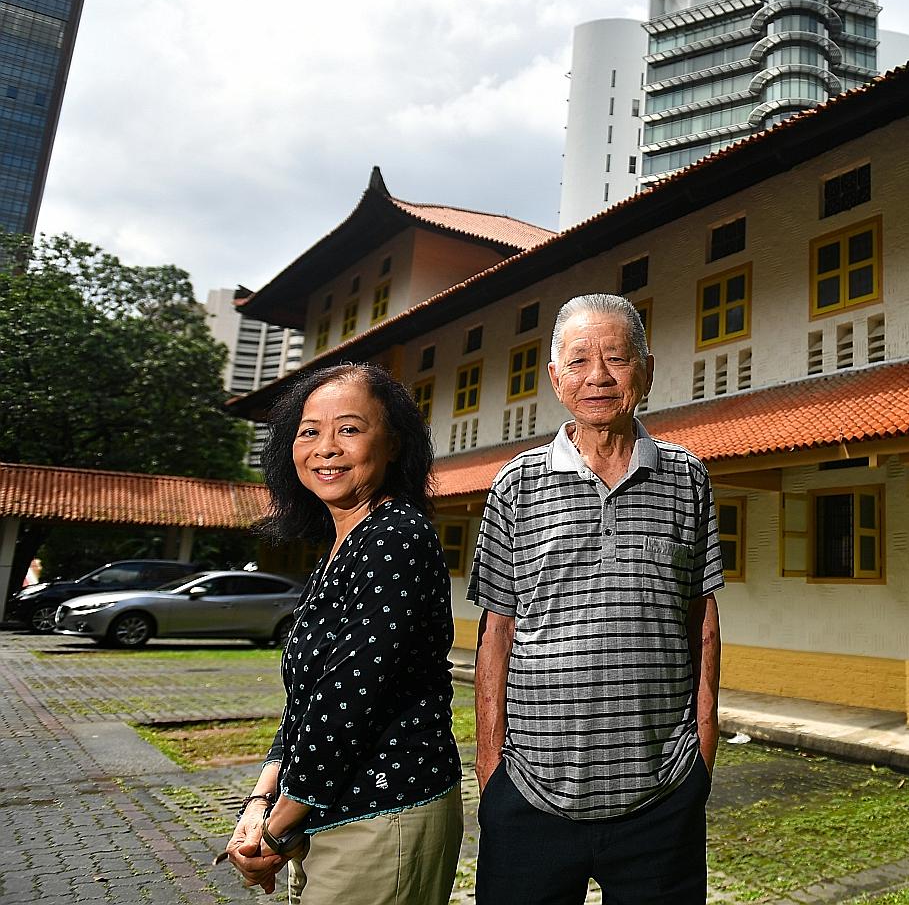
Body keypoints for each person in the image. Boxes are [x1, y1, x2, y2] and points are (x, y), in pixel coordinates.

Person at [470, 293, 723, 904]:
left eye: (617, 357)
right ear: (556, 379)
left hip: (662, 793)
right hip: (529, 793)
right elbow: (495, 632)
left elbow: (703, 623)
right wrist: (491, 774)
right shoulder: (517, 485)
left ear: (648, 370)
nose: (599, 376)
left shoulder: (688, 479)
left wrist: (702, 759)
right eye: (579, 360)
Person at [225, 363, 462, 904]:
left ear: (394, 444)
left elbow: (349, 699)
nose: (325, 448)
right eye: (309, 431)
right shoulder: (341, 547)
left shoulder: (395, 536)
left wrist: (273, 828)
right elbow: (307, 700)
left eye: (349, 430)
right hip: (320, 813)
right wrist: (259, 803)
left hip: (384, 811)